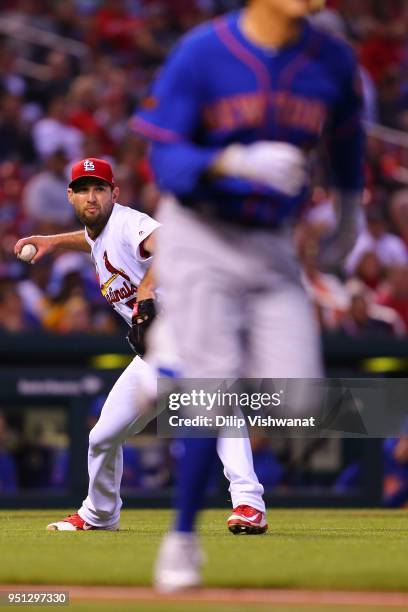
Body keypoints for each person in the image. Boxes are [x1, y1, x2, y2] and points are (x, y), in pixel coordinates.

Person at [132, 0, 365, 591]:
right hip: (200, 233)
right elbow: (166, 160)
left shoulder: (331, 59)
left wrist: (349, 208)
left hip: (273, 243)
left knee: (296, 400)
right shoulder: (203, 51)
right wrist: (232, 160)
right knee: (212, 386)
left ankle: (176, 350)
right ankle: (181, 543)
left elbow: (346, 136)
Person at [14, 157, 266, 533]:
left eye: (99, 188)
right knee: (101, 436)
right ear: (70, 196)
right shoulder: (100, 232)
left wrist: (147, 287)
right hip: (156, 348)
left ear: (114, 193)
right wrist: (52, 241)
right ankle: (99, 515)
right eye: (83, 189)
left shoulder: (129, 222)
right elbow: (90, 239)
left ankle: (248, 503)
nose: (91, 197)